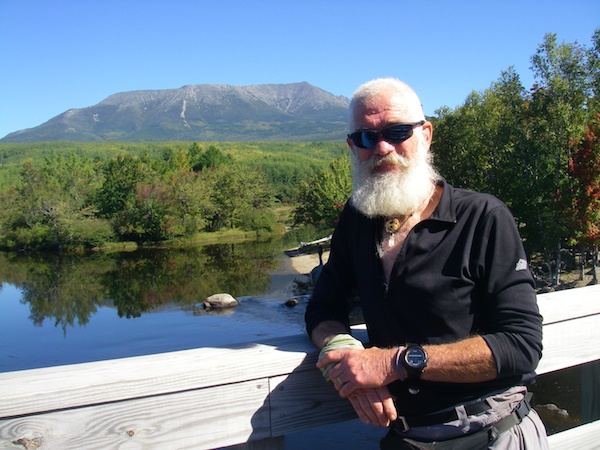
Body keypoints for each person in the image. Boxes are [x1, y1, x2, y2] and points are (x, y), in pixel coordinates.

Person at [305, 78, 549, 449]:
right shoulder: (358, 220)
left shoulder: (482, 216)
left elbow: (520, 346)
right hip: (407, 437)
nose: (383, 147)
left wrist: (392, 363)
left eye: (397, 131)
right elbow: (324, 305)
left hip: (491, 433)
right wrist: (344, 358)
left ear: (426, 134)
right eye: (366, 138)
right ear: (352, 146)